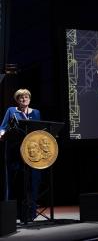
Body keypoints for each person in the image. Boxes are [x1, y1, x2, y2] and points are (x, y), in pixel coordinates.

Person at [0, 88, 41, 222]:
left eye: (26, 97)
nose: (24, 99)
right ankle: (15, 213)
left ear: (29, 99)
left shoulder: (36, 113)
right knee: (16, 181)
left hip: (31, 152)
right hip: (15, 151)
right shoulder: (12, 111)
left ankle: (31, 212)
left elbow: (39, 130)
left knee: (32, 182)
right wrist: (2, 134)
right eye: (21, 98)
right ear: (17, 100)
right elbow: (3, 127)